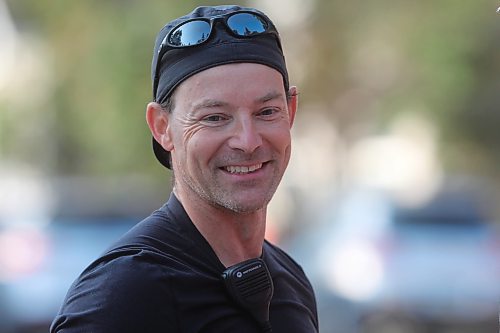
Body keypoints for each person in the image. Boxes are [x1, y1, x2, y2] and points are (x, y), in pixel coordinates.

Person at [50, 5, 318, 333]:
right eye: (215, 117)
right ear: (162, 127)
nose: (247, 141)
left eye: (266, 112)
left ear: (290, 112)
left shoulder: (290, 282)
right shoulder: (124, 294)